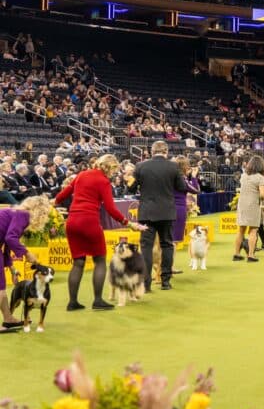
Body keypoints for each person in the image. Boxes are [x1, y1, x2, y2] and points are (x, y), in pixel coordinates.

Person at [55, 155, 145, 310]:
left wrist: (53, 203)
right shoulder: (104, 181)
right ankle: (97, 300)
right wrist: (128, 223)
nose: (113, 174)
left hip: (72, 222)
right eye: (113, 170)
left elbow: (62, 195)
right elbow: (110, 209)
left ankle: (72, 302)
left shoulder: (81, 175)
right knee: (100, 260)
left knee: (78, 262)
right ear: (109, 167)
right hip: (89, 221)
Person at [136, 141, 188, 291]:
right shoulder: (173, 167)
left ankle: (146, 284)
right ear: (166, 151)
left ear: (152, 151)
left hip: (146, 212)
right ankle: (165, 281)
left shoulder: (141, 166)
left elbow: (131, 187)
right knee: (167, 245)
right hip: (166, 212)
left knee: (146, 247)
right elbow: (182, 187)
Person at [1, 196, 51, 332]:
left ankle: (8, 318)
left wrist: (12, 269)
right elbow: (10, 238)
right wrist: (27, 253)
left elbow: (6, 244)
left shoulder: (16, 213)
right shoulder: (23, 215)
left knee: (1, 285)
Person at [234, 155, 264, 263]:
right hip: (253, 205)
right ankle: (251, 255)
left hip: (242, 205)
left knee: (241, 230)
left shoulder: (243, 176)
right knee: (253, 230)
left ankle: (236, 254)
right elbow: (262, 195)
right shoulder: (260, 178)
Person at [172, 157, 200, 246]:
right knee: (174, 241)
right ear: (184, 167)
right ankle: (169, 260)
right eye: (188, 165)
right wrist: (194, 177)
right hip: (178, 209)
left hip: (167, 208)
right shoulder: (181, 178)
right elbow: (195, 190)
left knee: (167, 239)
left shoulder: (170, 177)